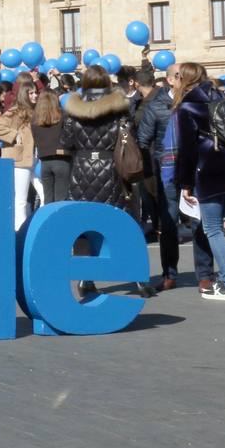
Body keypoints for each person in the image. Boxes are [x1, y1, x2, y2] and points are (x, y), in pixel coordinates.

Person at [61, 64, 153, 299]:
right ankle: (139, 278)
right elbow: (127, 135)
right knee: (124, 223)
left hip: (81, 171)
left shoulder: (74, 108)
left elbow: (66, 140)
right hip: (112, 170)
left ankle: (85, 278)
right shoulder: (119, 106)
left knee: (83, 227)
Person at [165, 62, 225, 301]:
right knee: (218, 227)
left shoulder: (188, 107)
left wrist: (184, 183)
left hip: (209, 173)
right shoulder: (224, 97)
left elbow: (188, 150)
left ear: (183, 79)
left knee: (212, 228)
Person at [138, 62, 185, 289]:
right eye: (179, 75)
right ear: (169, 80)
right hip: (167, 173)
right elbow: (143, 140)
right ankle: (169, 274)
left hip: (193, 170)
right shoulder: (156, 106)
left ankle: (206, 273)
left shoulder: (195, 102)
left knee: (201, 223)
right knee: (168, 223)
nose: (184, 79)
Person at [0, 77, 39, 229]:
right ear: (24, 94)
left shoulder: (34, 111)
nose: (35, 95)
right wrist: (14, 135)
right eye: (31, 93)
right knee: (21, 199)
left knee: (44, 194)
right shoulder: (14, 111)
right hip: (19, 160)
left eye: (35, 92)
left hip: (34, 159)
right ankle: (19, 230)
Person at [31, 89, 71, 204]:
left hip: (44, 162)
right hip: (62, 160)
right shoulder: (63, 115)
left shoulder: (35, 119)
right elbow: (69, 137)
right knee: (61, 199)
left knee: (48, 199)